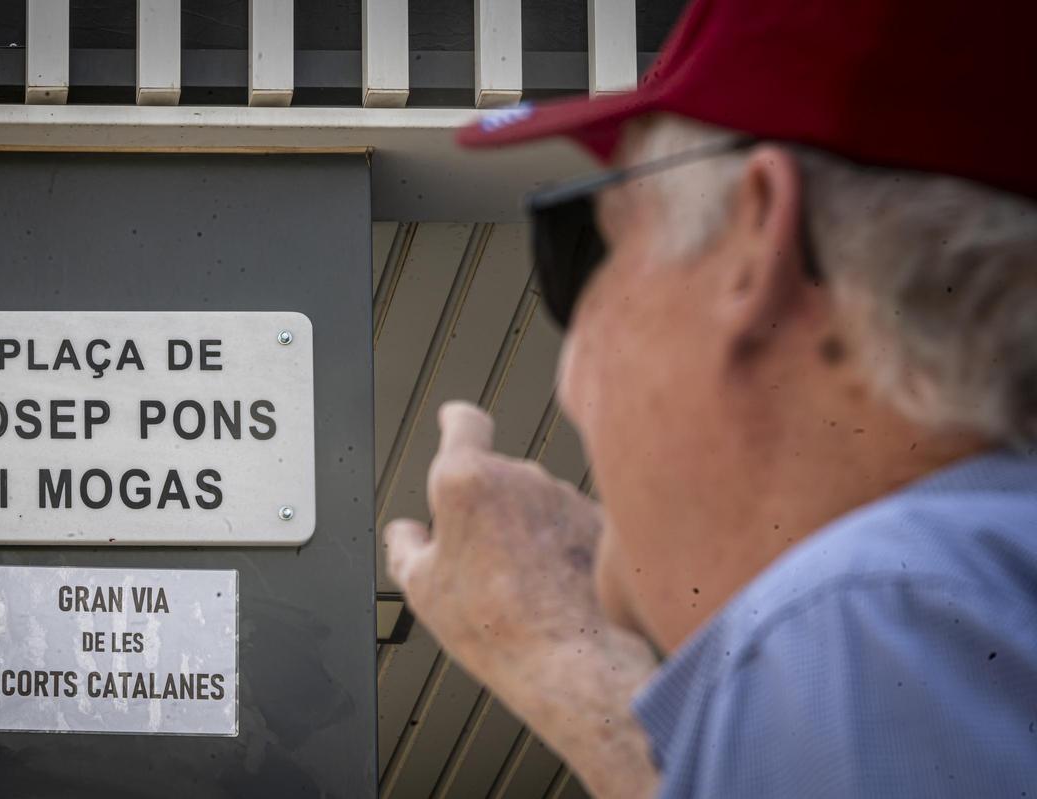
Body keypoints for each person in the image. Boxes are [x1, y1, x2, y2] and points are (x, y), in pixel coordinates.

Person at [384, 0, 1037, 796]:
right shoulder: (966, 603)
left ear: (756, 239)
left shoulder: (871, 615)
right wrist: (573, 667)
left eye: (588, 244)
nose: (569, 386)